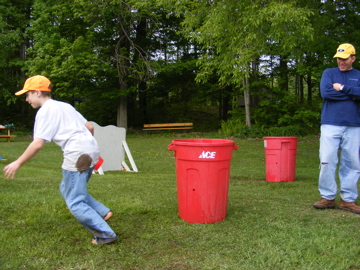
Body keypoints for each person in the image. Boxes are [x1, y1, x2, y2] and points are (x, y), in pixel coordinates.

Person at [3, 75, 117, 244]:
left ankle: (104, 235)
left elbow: (37, 144)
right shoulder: (64, 106)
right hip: (91, 149)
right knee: (67, 187)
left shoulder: (44, 112)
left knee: (74, 201)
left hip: (78, 154)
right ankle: (102, 211)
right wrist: (87, 147)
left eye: (27, 95)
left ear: (37, 92)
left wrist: (18, 162)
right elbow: (90, 127)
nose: (27, 99)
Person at [313, 43, 360, 214]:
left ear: (353, 58)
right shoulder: (329, 73)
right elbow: (326, 93)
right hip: (330, 123)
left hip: (354, 125)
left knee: (352, 162)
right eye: (339, 58)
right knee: (327, 160)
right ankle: (327, 197)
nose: (341, 61)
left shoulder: (358, 75)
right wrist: (353, 94)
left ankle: (348, 200)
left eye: (345, 58)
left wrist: (342, 88)